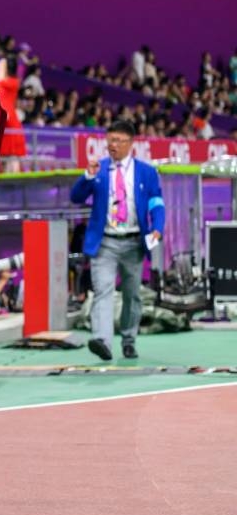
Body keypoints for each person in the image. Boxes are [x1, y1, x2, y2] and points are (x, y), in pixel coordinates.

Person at [71, 120, 165, 361]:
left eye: (119, 141)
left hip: (134, 242)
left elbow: (156, 202)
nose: (113, 145)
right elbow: (76, 197)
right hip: (105, 242)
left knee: (132, 295)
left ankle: (129, 340)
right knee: (102, 291)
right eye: (110, 140)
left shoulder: (146, 172)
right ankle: (103, 340)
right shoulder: (98, 169)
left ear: (130, 143)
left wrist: (158, 227)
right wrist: (87, 177)